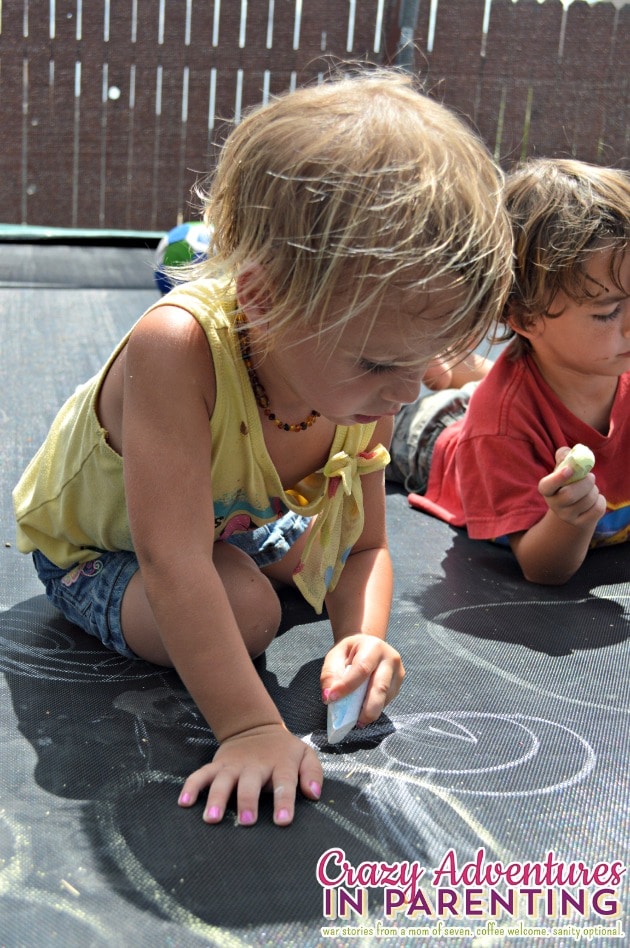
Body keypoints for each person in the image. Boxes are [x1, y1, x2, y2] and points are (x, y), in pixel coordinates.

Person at [12, 68, 512, 826]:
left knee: (289, 562)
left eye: (426, 362)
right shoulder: (177, 349)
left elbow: (366, 547)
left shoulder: (367, 381)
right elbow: (175, 565)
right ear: (263, 299)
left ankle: (258, 558)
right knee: (248, 607)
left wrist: (361, 642)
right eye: (381, 364)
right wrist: (250, 729)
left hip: (239, 523)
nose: (408, 392)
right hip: (102, 551)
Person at [389, 158, 630, 586]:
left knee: (487, 390)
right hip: (435, 442)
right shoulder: (499, 426)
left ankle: (462, 369)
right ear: (525, 319)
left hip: (523, 388)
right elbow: (542, 567)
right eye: (609, 312)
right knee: (424, 420)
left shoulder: (614, 356)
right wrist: (570, 520)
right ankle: (450, 373)